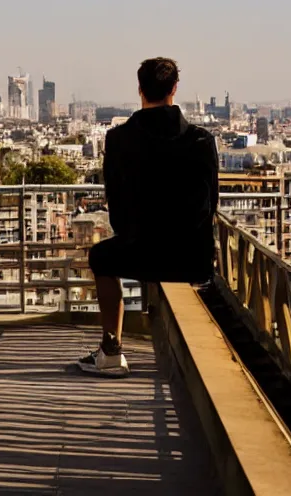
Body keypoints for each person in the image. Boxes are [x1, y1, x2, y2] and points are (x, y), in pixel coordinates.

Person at [78, 57, 219, 377]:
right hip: (193, 257)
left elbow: (116, 207)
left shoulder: (118, 140)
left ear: (140, 90)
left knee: (101, 256)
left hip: (141, 253)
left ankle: (111, 349)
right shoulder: (201, 141)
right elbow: (212, 204)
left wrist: (134, 236)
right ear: (175, 89)